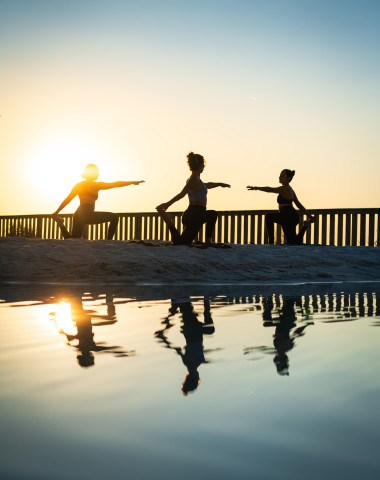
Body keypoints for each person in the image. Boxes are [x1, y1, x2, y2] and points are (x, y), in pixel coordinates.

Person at [52, 164, 144, 239]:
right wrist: (132, 182)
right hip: (87, 212)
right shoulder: (96, 185)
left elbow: (68, 199)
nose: (98, 174)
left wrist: (56, 212)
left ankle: (60, 224)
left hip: (78, 214)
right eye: (97, 172)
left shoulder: (78, 185)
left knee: (73, 239)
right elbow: (115, 184)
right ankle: (108, 241)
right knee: (114, 217)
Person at [156, 152, 230, 245]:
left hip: (198, 214)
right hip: (194, 215)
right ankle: (169, 221)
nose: (204, 167)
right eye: (203, 165)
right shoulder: (193, 179)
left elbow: (207, 185)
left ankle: (208, 242)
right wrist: (167, 204)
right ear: (200, 165)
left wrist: (220, 184)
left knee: (212, 214)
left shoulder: (197, 180)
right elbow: (182, 194)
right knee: (181, 243)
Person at [247, 169, 315, 244]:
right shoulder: (290, 189)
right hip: (290, 216)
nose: (279, 177)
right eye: (280, 175)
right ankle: (305, 226)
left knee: (269, 217)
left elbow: (271, 189)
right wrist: (310, 216)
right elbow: (298, 204)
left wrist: (256, 188)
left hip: (288, 215)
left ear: (288, 178)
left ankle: (271, 243)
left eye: (282, 175)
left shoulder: (285, 188)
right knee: (293, 241)